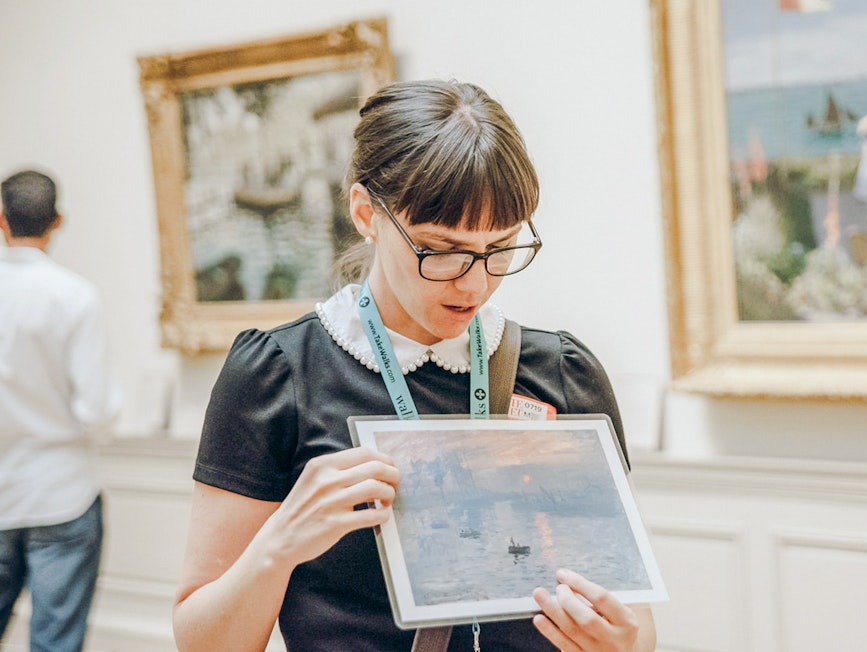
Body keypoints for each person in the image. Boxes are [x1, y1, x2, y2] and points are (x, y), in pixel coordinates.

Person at [173, 79, 657, 651]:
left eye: (499, 248)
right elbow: (203, 643)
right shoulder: (278, 375)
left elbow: (634, 624)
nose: (475, 283)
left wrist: (625, 642)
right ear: (364, 212)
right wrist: (279, 544)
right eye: (440, 249)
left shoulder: (563, 372)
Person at [0, 169, 121, 651]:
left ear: (0, 220)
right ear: (58, 222)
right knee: (56, 642)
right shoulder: (74, 296)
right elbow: (96, 410)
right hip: (61, 493)